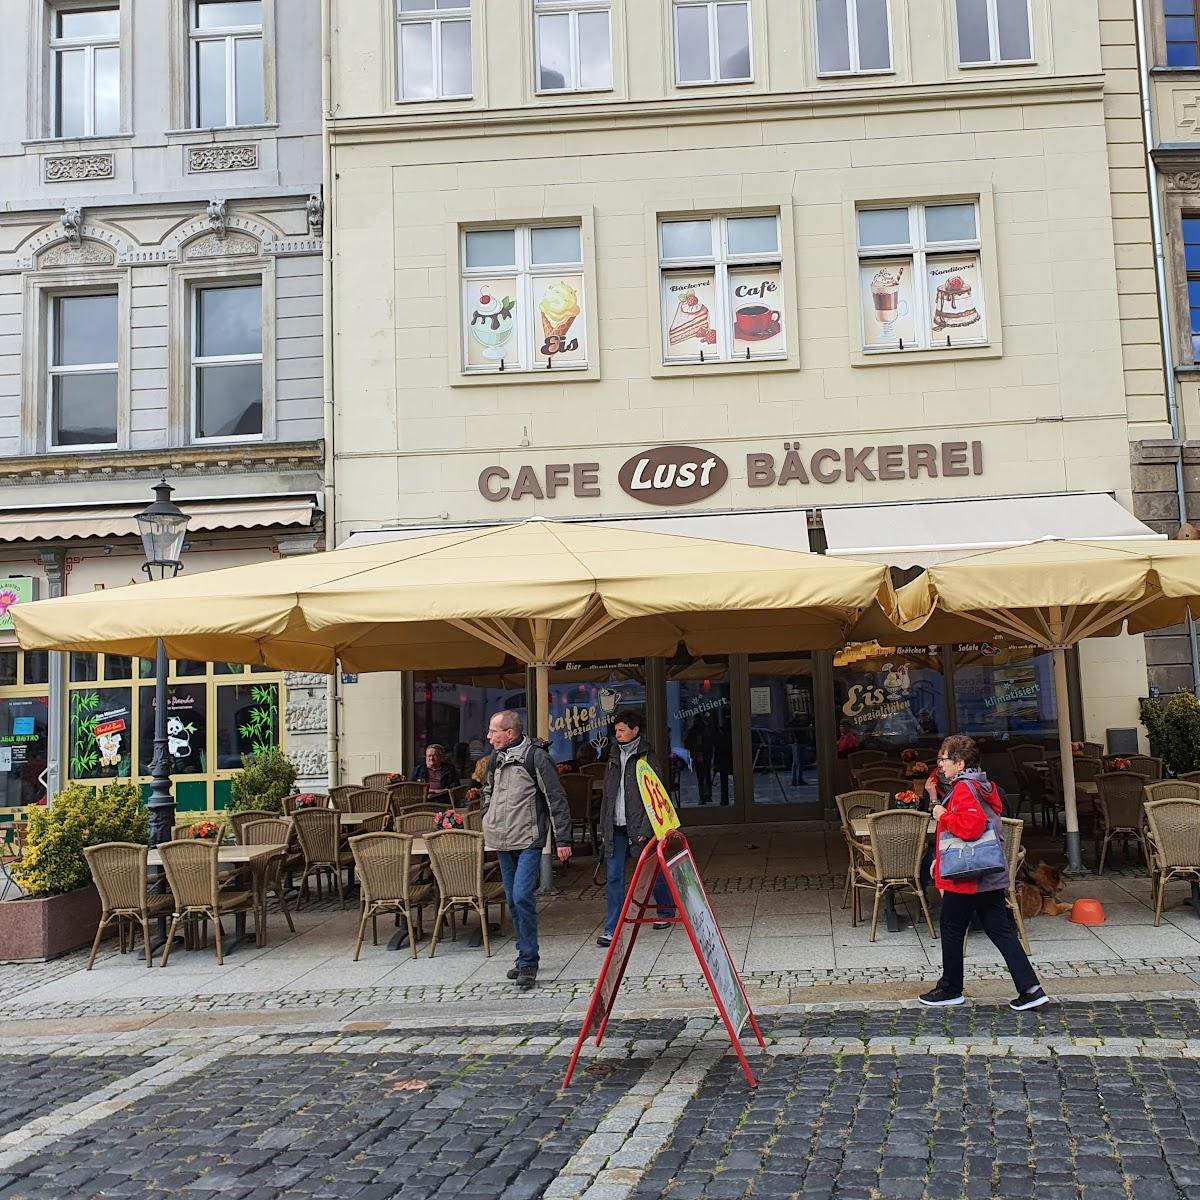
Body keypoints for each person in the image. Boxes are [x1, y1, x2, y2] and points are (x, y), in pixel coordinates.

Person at [919, 734, 1049, 1011]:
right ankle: (1031, 989)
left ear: (959, 762)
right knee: (1000, 929)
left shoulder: (965, 788)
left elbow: (971, 827)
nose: (940, 765)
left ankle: (951, 987)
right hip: (985, 871)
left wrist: (942, 814)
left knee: (952, 927)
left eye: (943, 759)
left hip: (968, 875)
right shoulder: (984, 785)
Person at [480, 710, 572, 991]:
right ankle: (523, 956)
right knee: (512, 900)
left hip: (529, 839)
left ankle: (530, 961)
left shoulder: (536, 757)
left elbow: (555, 797)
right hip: (501, 840)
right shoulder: (495, 759)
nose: (488, 736)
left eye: (493, 731)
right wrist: (488, 815)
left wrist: (563, 839)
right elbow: (487, 790)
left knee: (522, 896)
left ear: (510, 732)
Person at [596, 709, 677, 948]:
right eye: (616, 730)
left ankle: (665, 910)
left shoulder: (647, 758)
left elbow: (656, 795)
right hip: (615, 826)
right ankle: (613, 928)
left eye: (622, 730)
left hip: (640, 826)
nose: (617, 734)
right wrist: (604, 825)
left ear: (635, 730)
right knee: (614, 877)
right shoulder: (612, 757)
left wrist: (647, 827)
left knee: (653, 871)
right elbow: (608, 795)